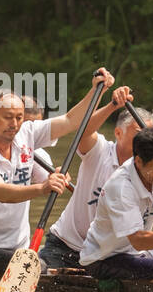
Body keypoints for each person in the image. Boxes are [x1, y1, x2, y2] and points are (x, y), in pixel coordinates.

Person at [0, 69, 114, 275]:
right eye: (8, 117)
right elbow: (1, 192)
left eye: (19, 117)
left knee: (39, 266)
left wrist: (97, 91)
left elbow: (70, 121)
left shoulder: (26, 133)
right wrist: (43, 187)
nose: (15, 124)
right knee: (37, 267)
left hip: (18, 247)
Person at [39, 86, 140, 270]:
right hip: (65, 248)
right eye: (138, 134)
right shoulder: (100, 150)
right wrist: (112, 105)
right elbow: (82, 132)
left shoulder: (148, 169)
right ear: (118, 133)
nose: (144, 140)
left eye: (147, 135)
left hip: (108, 256)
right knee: (38, 271)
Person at [79, 124, 153, 280]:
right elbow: (138, 240)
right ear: (138, 161)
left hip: (135, 254)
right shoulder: (121, 188)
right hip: (103, 259)